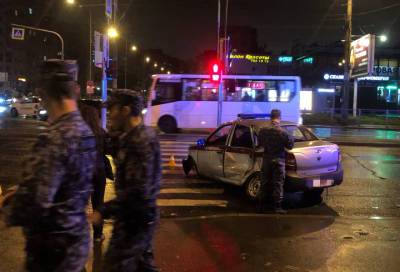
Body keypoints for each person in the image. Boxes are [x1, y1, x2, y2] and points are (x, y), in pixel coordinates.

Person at [4, 59, 97, 272]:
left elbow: (33, 206)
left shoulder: (54, 138)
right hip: (77, 245)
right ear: (74, 90)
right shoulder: (85, 131)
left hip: (51, 255)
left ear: (43, 93)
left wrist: (5, 204)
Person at [90, 90, 161, 272]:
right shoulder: (141, 135)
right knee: (143, 266)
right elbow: (111, 142)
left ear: (126, 110)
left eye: (113, 109)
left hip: (133, 222)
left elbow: (138, 192)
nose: (110, 114)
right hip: (142, 219)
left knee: (113, 267)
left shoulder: (139, 142)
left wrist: (103, 210)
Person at [79, 103, 107, 243]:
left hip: (84, 173)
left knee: (81, 205)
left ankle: (80, 237)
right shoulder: (101, 132)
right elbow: (107, 150)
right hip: (99, 172)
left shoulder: (80, 134)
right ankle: (98, 235)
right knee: (98, 204)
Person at [258, 109, 294, 214]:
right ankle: (277, 207)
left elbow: (260, 143)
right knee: (278, 183)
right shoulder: (283, 133)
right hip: (278, 160)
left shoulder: (263, 130)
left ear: (270, 117)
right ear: (279, 117)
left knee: (264, 182)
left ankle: (261, 206)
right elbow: (290, 146)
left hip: (266, 160)